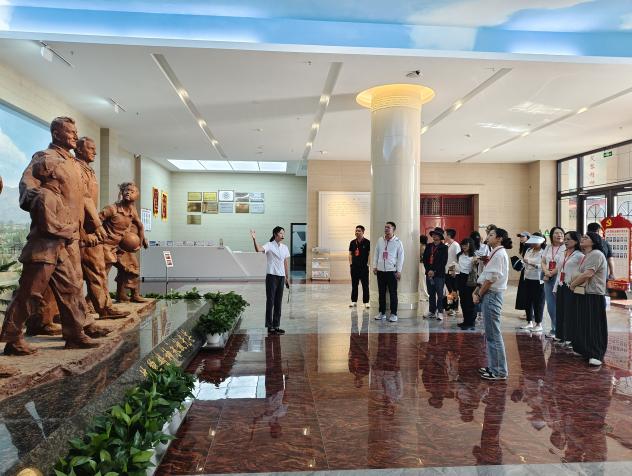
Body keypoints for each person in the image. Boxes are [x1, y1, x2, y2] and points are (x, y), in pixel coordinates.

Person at [1, 155, 100, 353]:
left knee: (70, 290)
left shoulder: (56, 196)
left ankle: (75, 334)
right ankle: (13, 339)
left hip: (59, 251)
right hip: (42, 253)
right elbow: (49, 227)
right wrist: (70, 230)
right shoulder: (44, 196)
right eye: (61, 168)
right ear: (51, 173)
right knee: (28, 295)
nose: (65, 171)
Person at [474, 228, 512, 381]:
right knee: (491, 334)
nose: (488, 237)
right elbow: (487, 276)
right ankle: (494, 366)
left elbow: (491, 278)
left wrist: (479, 294)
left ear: (499, 238)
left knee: (493, 335)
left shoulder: (499, 254)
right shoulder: (496, 252)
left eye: (491, 235)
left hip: (492, 295)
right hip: (490, 295)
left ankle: (499, 371)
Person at [569, 232, 608, 366]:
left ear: (594, 241)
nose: (582, 239)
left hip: (594, 294)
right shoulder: (587, 255)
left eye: (586, 238)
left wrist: (573, 284)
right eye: (583, 237)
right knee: (585, 323)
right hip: (585, 293)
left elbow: (588, 274)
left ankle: (596, 353)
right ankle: (586, 350)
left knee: (594, 325)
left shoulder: (596, 254)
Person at [251, 227, 290, 334]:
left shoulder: (285, 247)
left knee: (278, 302)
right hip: (271, 276)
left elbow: (285, 262)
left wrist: (287, 277)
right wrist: (254, 239)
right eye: (281, 233)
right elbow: (258, 249)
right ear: (275, 234)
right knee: (270, 301)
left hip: (281, 277)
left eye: (283, 233)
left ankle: (276, 325)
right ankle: (269, 326)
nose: (283, 235)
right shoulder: (269, 245)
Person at [553, 231, 583, 348]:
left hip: (571, 286)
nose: (565, 241)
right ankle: (560, 335)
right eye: (565, 239)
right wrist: (555, 287)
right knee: (560, 311)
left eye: (568, 239)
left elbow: (582, 272)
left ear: (576, 241)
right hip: (561, 285)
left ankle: (570, 337)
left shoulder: (580, 255)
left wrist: (575, 284)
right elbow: (560, 271)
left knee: (569, 313)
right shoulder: (563, 253)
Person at [372, 221, 404, 322]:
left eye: (388, 227)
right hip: (380, 271)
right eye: (385, 227)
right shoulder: (380, 240)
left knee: (393, 293)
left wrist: (399, 271)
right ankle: (382, 313)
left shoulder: (398, 242)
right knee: (381, 293)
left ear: (393, 229)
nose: (386, 229)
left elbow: (401, 257)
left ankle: (394, 314)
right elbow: (376, 253)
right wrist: (375, 266)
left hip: (392, 271)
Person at [542, 227, 565, 338]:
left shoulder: (565, 247)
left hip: (559, 277)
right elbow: (543, 261)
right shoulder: (548, 247)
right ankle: (554, 328)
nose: (559, 235)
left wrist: (551, 273)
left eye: (561, 233)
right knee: (551, 305)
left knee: (560, 304)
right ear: (551, 235)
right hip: (548, 277)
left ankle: (561, 330)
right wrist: (546, 272)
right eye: (556, 233)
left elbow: (562, 263)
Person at [521, 233, 546, 333]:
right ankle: (529, 321)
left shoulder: (544, 252)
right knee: (528, 300)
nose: (533, 244)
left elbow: (544, 265)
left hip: (538, 279)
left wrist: (531, 263)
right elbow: (524, 262)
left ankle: (538, 323)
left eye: (535, 242)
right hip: (528, 277)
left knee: (538, 301)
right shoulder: (529, 250)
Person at [422, 228, 448, 320]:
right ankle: (432, 311)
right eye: (433, 234)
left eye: (436, 234)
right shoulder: (429, 246)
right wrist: (428, 270)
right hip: (429, 274)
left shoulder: (444, 248)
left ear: (440, 237)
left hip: (439, 274)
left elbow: (443, 262)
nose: (434, 236)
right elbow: (425, 259)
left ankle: (440, 311)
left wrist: (434, 271)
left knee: (440, 294)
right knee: (431, 293)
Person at [456, 238, 477, 330]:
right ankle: (465, 321)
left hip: (470, 279)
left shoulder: (474, 256)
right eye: (463, 245)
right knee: (463, 300)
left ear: (470, 246)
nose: (464, 246)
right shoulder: (459, 255)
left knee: (470, 301)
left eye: (466, 245)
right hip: (460, 278)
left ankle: (471, 322)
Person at [348, 225, 370, 309]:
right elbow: (350, 254)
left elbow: (369, 254)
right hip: (354, 267)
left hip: (364, 267)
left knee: (365, 285)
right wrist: (351, 264)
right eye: (356, 230)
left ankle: (366, 302)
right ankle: (353, 301)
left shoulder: (367, 242)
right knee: (354, 285)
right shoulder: (352, 242)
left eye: (359, 231)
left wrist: (368, 264)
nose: (357, 232)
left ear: (363, 232)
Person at [445, 229, 461, 316]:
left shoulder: (456, 245)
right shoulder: (446, 244)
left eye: (445, 234)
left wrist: (455, 271)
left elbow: (458, 259)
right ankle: (450, 307)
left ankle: (455, 308)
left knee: (454, 289)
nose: (444, 235)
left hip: (453, 269)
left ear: (449, 235)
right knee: (449, 290)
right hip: (446, 270)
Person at [513, 231, 530, 315]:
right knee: (525, 292)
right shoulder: (525, 246)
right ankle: (528, 312)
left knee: (525, 292)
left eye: (523, 236)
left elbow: (527, 260)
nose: (521, 238)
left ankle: (529, 313)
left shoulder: (527, 246)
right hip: (525, 270)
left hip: (528, 272)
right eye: (520, 236)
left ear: (528, 237)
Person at [419, 235, 429, 301]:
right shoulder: (426, 246)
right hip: (424, 265)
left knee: (422, 280)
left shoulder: (422, 247)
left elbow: (421, 256)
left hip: (421, 264)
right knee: (423, 280)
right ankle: (424, 295)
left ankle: (425, 295)